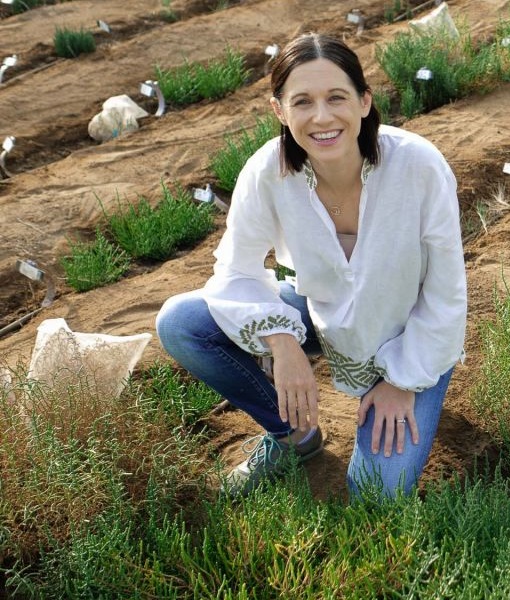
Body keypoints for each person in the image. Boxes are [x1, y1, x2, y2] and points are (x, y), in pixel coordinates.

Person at [155, 33, 467, 500]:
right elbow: (234, 271)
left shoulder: (419, 168)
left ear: (364, 102)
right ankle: (293, 436)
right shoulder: (269, 171)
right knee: (183, 323)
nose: (322, 117)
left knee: (374, 495)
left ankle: (417, 392)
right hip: (319, 311)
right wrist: (282, 344)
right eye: (302, 102)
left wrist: (401, 383)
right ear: (280, 111)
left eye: (336, 98)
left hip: (406, 337)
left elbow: (445, 294)